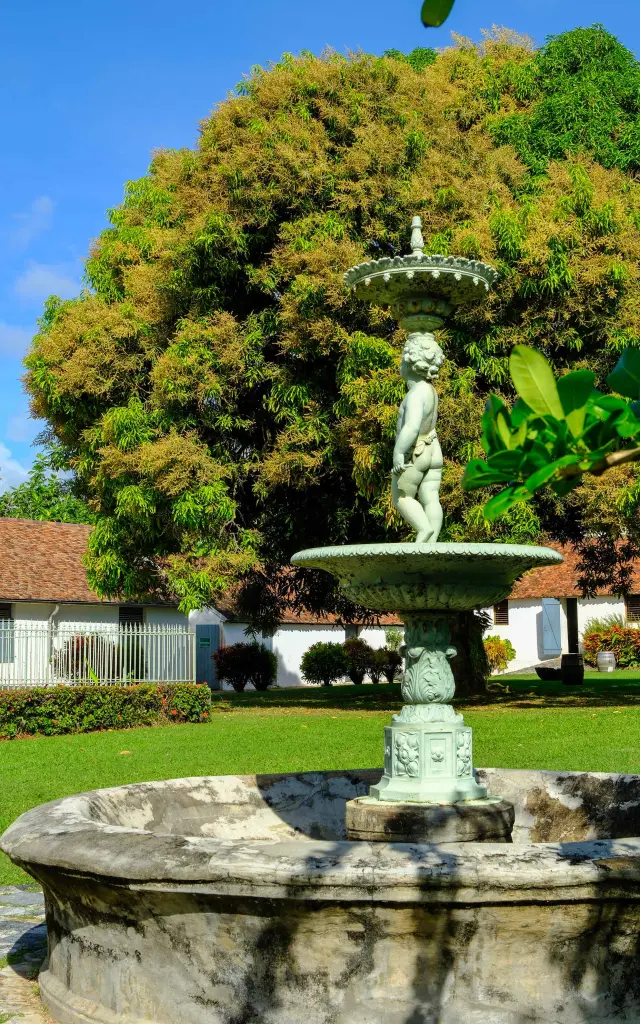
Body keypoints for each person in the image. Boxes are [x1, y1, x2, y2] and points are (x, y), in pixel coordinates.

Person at [391, 331, 444, 543]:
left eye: (403, 360)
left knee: (402, 498)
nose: (400, 365)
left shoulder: (414, 395)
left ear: (411, 365)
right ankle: (431, 545)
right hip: (433, 448)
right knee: (430, 497)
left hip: (416, 451)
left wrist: (398, 452)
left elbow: (412, 427)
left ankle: (423, 530)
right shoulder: (430, 390)